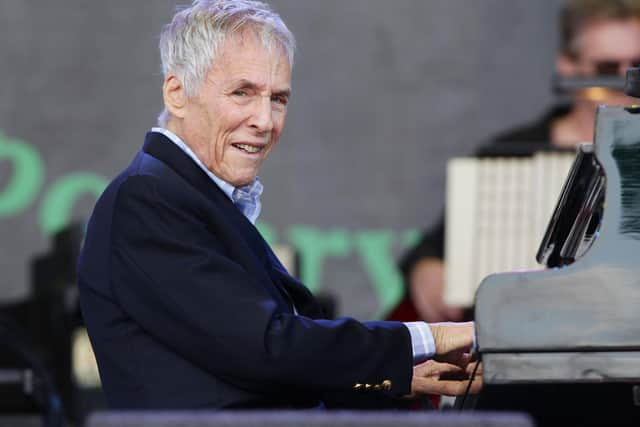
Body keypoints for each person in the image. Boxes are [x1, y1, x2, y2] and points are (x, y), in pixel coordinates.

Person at [77, 0, 481, 410]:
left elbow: (262, 368)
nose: (265, 120)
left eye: (278, 99)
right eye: (242, 93)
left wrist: (400, 376)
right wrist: (433, 336)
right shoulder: (149, 199)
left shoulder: (187, 196)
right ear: (177, 94)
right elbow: (266, 347)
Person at [390, 0, 640, 324]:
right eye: (607, 68)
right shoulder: (510, 153)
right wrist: (426, 268)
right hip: (524, 326)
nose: (624, 82)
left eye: (637, 68)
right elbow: (435, 246)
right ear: (568, 66)